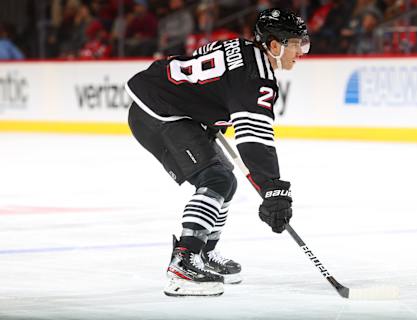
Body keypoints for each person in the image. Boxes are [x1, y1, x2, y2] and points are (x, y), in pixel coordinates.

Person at [125, 8, 310, 297]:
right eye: (297, 44)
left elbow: (208, 82)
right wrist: (273, 188)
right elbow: (254, 138)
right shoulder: (257, 77)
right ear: (274, 45)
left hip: (168, 105)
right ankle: (183, 263)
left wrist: (208, 116)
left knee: (226, 180)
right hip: (159, 113)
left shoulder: (241, 48)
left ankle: (203, 253)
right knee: (216, 179)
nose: (301, 51)